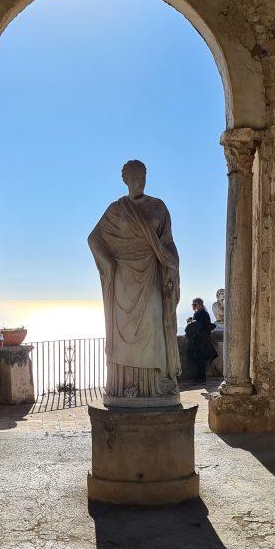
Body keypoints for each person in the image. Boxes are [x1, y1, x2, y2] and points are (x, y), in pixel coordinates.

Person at [88, 160, 181, 403]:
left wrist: (171, 267)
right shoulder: (116, 209)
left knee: (154, 321)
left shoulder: (158, 207)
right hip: (122, 278)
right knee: (124, 333)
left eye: (142, 177)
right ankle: (125, 385)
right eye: (134, 178)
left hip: (151, 273)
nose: (139, 182)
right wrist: (107, 263)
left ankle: (155, 385)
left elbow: (168, 242)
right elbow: (94, 238)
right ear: (126, 180)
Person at [185, 297, 218, 383]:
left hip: (202, 341)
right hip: (198, 341)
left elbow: (203, 326)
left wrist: (192, 323)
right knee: (198, 360)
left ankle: (201, 378)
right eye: (193, 305)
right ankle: (199, 378)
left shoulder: (203, 314)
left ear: (200, 305)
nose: (193, 306)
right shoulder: (199, 313)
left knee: (201, 360)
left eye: (195, 305)